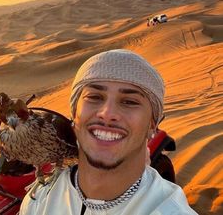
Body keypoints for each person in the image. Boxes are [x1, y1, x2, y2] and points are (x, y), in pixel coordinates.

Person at [19, 49, 198, 215]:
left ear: (152, 125)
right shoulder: (39, 200)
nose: (107, 113)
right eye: (94, 97)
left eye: (129, 101)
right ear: (74, 114)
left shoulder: (169, 211)